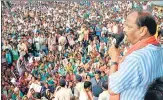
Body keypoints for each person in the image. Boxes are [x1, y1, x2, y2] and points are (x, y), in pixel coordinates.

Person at [108, 10, 163, 100]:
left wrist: (114, 59)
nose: (124, 30)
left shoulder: (136, 59)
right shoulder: (160, 49)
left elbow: (112, 87)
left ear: (143, 31)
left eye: (129, 27)